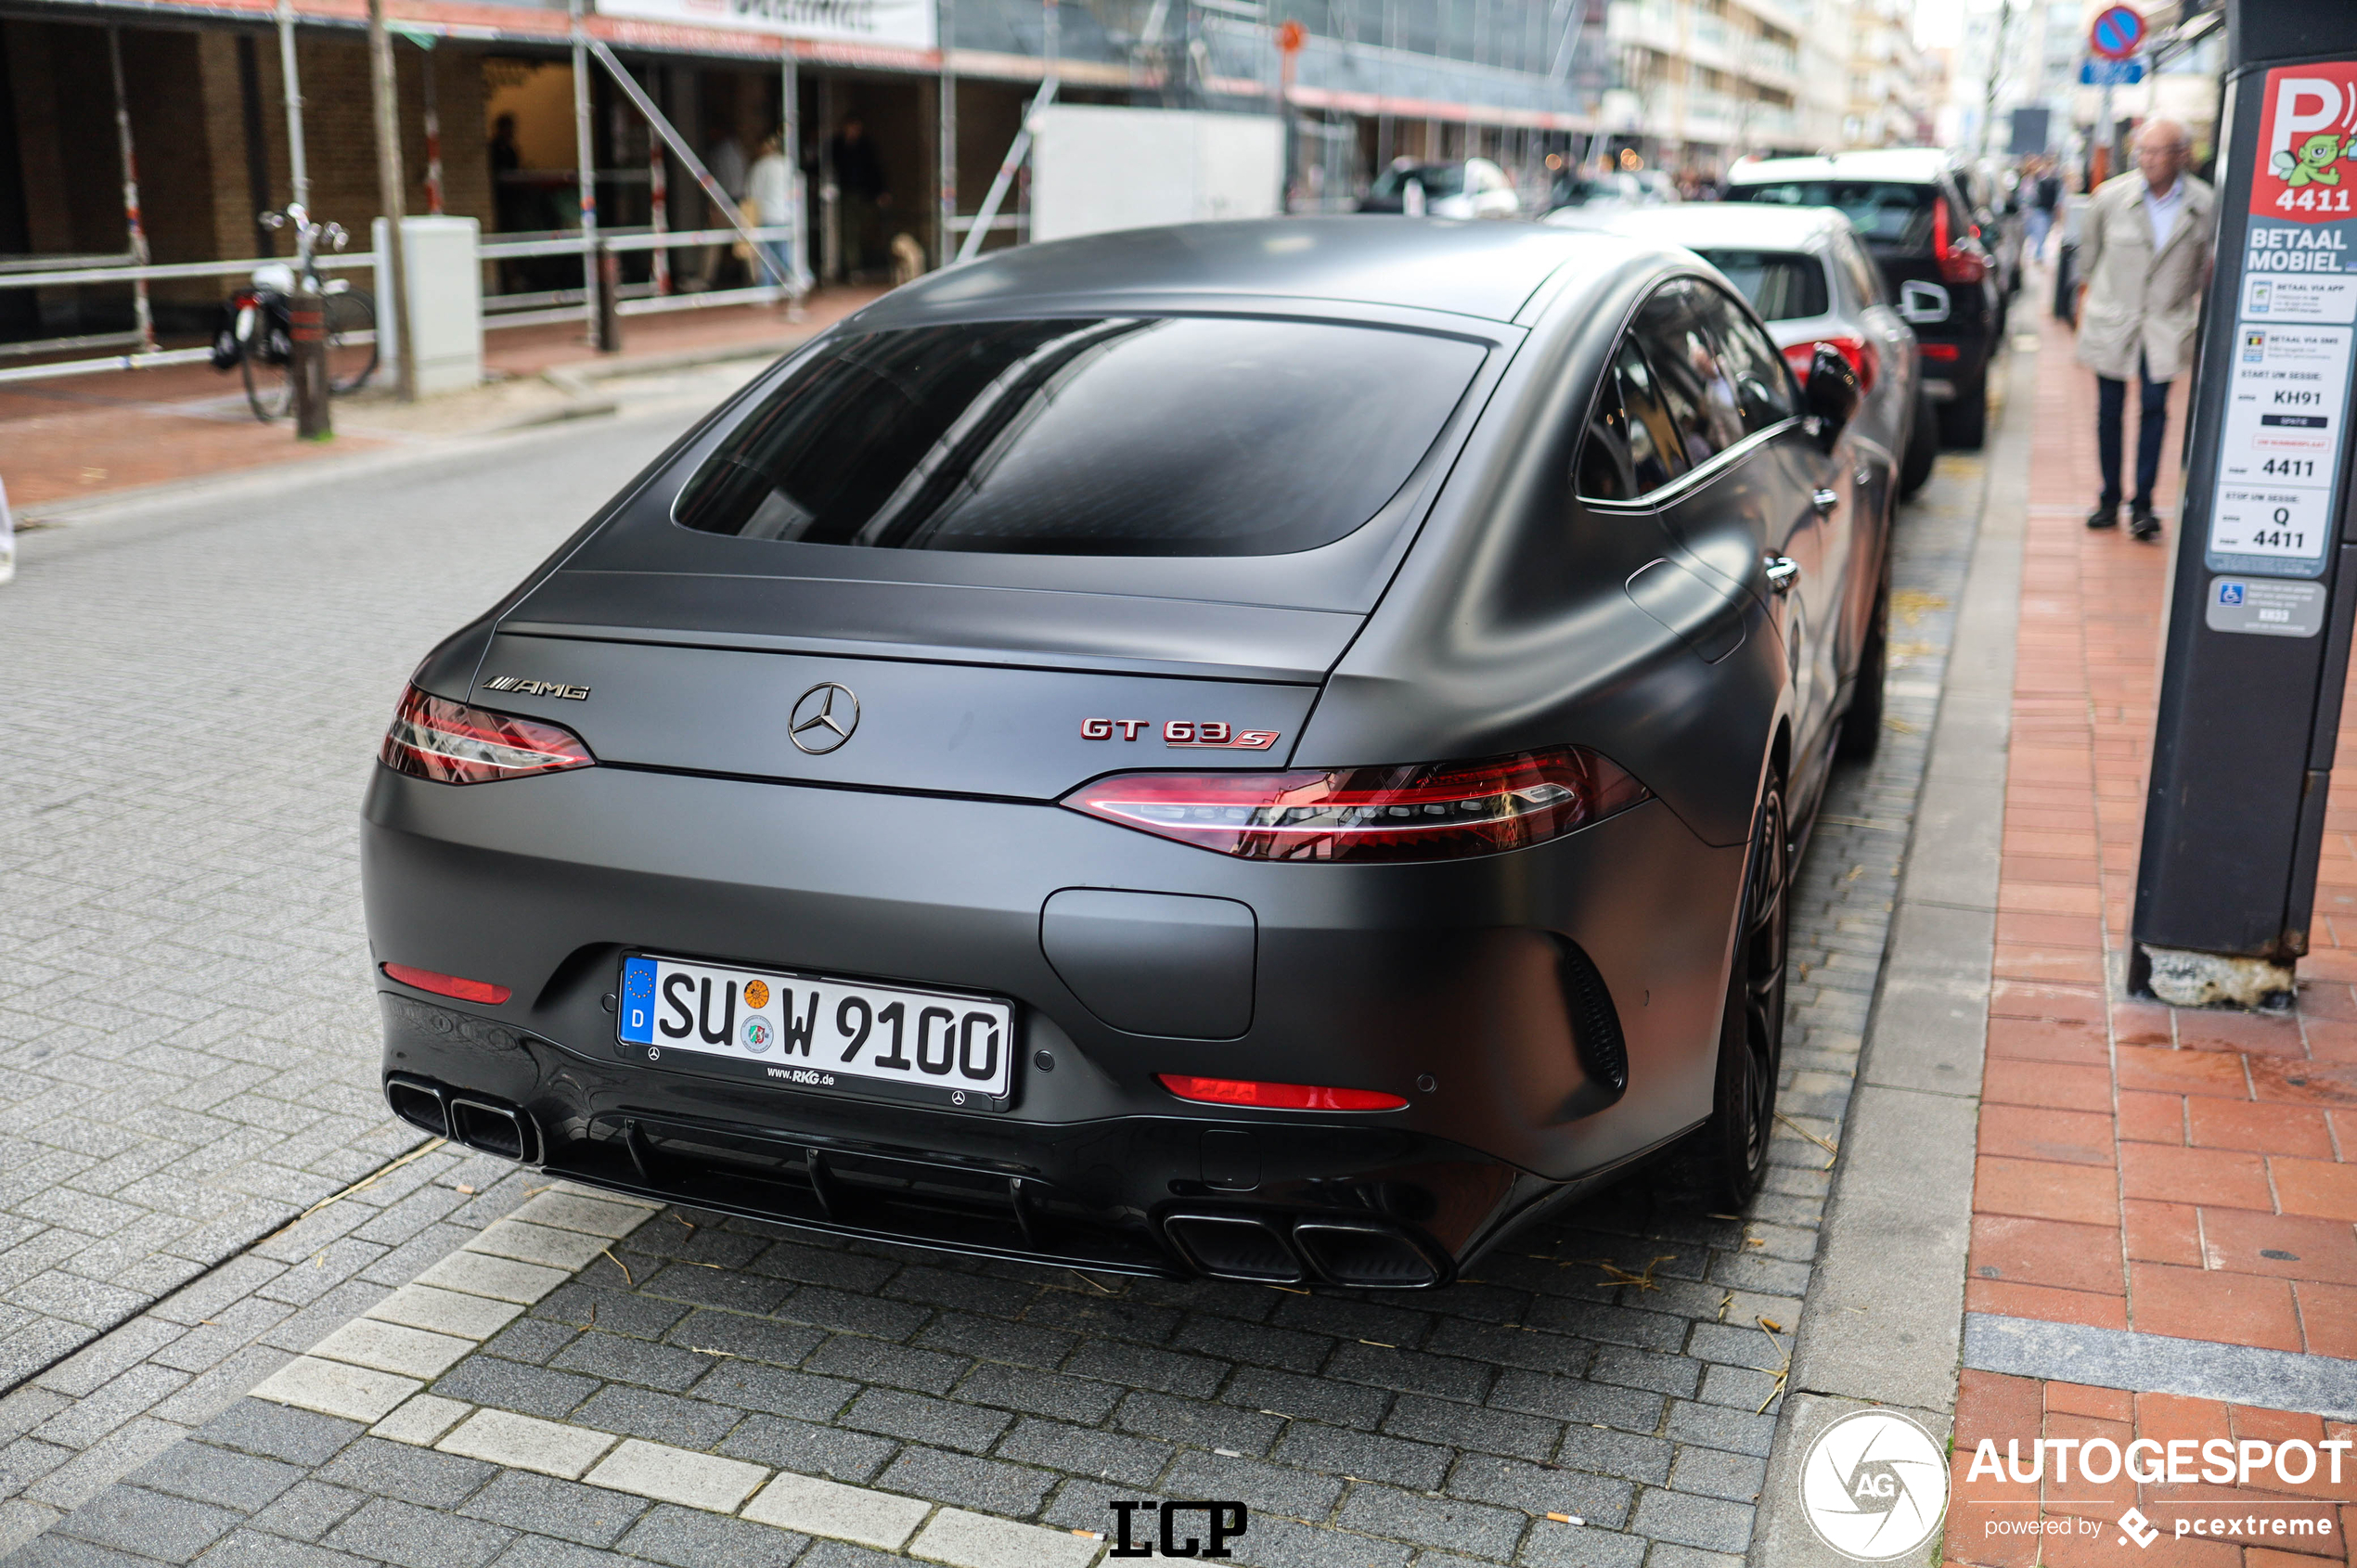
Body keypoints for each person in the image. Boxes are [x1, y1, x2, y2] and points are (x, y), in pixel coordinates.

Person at [2074, 118, 2215, 540]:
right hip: (2113, 318)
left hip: (2165, 323)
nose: (2149, 160)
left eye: (2158, 152)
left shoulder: (2204, 204)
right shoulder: (2111, 197)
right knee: (2109, 410)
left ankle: (2144, 504)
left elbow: (2204, 265)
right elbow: (2089, 258)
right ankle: (2108, 497)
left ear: (2181, 155)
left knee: (2155, 408)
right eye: (2143, 152)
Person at [829, 117, 888, 279]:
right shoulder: (837, 145)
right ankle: (852, 267)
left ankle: (868, 262)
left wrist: (881, 191)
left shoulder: (866, 146)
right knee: (849, 230)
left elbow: (875, 168)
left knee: (867, 227)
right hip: (847, 193)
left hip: (865, 193)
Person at [743, 133, 798, 297]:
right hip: (785, 214)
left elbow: (751, 194)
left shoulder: (759, 166)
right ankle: (792, 286)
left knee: (765, 256)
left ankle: (767, 292)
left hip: (766, 214)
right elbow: (794, 191)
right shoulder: (787, 164)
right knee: (785, 253)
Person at [697, 120, 749, 289]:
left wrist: (713, 205)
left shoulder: (720, 152)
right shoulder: (738, 149)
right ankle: (757, 280)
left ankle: (704, 279)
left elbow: (717, 181)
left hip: (725, 201)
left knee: (713, 242)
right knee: (747, 242)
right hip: (740, 200)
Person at [2026, 157, 2063, 263]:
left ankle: (2039, 254)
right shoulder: (2039, 178)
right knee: (2040, 233)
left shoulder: (2056, 179)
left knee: (2044, 233)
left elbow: (2058, 198)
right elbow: (2032, 195)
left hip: (2048, 210)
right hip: (2040, 210)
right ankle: (2038, 255)